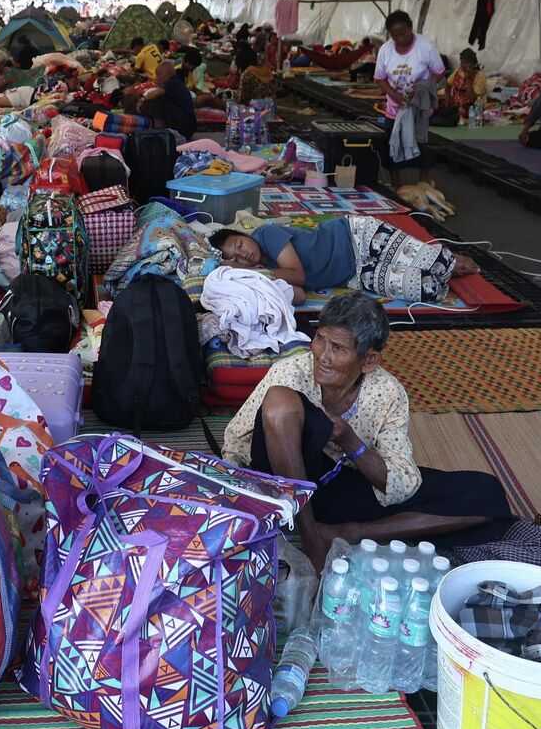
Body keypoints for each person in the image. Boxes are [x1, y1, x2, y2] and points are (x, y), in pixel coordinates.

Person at [221, 294, 515, 565]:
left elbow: (399, 481)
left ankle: (348, 533)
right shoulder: (290, 372)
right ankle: (311, 539)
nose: (322, 355)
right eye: (320, 339)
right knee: (280, 401)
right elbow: (237, 442)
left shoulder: (387, 392)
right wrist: (234, 496)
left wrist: (350, 441)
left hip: (339, 489)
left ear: (369, 360)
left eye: (337, 348)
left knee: (485, 492)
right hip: (281, 484)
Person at [211, 217, 477, 304]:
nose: (243, 254)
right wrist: (249, 274)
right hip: (353, 274)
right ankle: (436, 265)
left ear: (244, 235)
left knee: (442, 264)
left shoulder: (266, 234)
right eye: (236, 258)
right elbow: (298, 295)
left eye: (239, 245)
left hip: (355, 236)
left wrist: (254, 272)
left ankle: (450, 257)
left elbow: (297, 275)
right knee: (428, 289)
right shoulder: (258, 271)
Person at [374, 12, 445, 185]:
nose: (400, 39)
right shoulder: (386, 50)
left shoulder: (426, 47)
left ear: (411, 27)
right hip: (395, 106)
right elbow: (379, 78)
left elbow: (439, 72)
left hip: (419, 105)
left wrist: (423, 88)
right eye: (395, 35)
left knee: (420, 141)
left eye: (403, 34)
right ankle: (395, 180)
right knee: (392, 142)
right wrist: (394, 95)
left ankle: (424, 178)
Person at [136, 59, 197, 138]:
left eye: (159, 75)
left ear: (168, 74)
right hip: (186, 125)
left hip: (185, 126)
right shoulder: (175, 82)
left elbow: (156, 93)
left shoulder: (173, 82)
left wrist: (142, 100)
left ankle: (159, 131)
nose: (157, 78)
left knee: (157, 100)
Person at [442, 47, 488, 123]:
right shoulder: (458, 71)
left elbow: (472, 99)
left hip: (473, 110)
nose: (464, 65)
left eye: (467, 63)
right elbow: (448, 84)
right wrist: (449, 99)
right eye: (462, 62)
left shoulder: (480, 77)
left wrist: (469, 79)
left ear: (473, 64)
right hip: (457, 107)